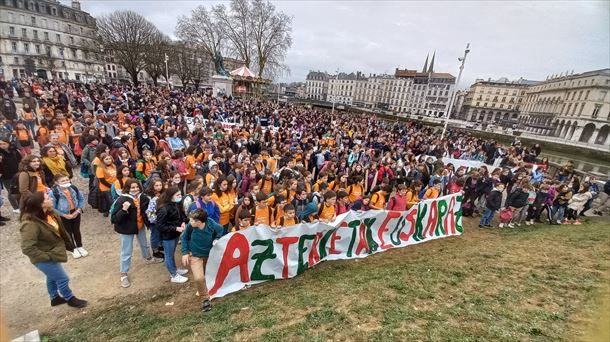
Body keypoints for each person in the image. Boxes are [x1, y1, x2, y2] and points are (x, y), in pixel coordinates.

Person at [19, 191, 87, 308]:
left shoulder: (51, 213)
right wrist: (47, 257)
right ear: (41, 204)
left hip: (52, 253)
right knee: (63, 278)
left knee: (52, 276)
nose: (51, 198)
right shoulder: (30, 224)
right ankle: (69, 298)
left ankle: (54, 298)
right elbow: (27, 248)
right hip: (43, 257)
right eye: (47, 198)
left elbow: (60, 231)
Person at [110, 178, 161, 288]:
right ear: (127, 188)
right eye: (132, 187)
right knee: (127, 250)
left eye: (137, 187)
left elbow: (148, 210)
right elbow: (114, 218)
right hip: (126, 229)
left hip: (140, 226)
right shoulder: (121, 200)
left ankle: (148, 258)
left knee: (144, 243)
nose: (135, 189)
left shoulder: (142, 197)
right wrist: (124, 210)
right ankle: (123, 273)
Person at [181, 208, 224, 312]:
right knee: (199, 278)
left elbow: (220, 230)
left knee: (207, 275)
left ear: (199, 222)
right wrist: (185, 253)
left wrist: (217, 239)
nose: (189, 222)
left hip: (209, 255)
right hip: (195, 256)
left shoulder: (211, 224)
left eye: (191, 220)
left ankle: (207, 289)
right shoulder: (190, 227)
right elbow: (184, 238)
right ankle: (205, 299)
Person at [156, 186, 189, 284]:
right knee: (168, 255)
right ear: (171, 196)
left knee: (172, 253)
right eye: (178, 195)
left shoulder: (176, 204)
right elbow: (160, 226)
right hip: (168, 236)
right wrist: (175, 228)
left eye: (180, 194)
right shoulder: (163, 209)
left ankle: (174, 269)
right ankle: (173, 275)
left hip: (176, 234)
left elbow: (182, 215)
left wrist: (183, 222)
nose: (180, 196)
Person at [51, 174, 87, 259]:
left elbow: (81, 199)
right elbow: (52, 208)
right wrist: (64, 215)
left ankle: (80, 246)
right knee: (68, 232)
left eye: (67, 180)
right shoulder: (54, 193)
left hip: (75, 212)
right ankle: (73, 248)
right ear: (56, 182)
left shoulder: (73, 188)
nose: (66, 182)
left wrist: (78, 210)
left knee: (76, 230)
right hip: (63, 215)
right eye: (62, 181)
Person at [0, 136, 22, 214]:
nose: (2, 145)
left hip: (17, 173)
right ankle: (15, 207)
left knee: (19, 189)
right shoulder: (1, 154)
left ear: (8, 143)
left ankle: (21, 205)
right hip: (7, 176)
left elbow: (20, 160)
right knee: (11, 191)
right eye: (0, 144)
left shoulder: (14, 150)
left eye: (4, 143)